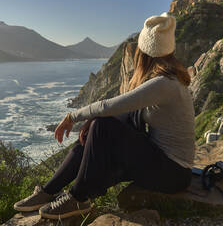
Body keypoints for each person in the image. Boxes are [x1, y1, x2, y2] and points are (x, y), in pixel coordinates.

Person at [13, 12, 195, 219]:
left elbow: (111, 105)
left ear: (144, 52)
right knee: (93, 131)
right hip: (160, 163)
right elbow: (127, 113)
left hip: (173, 173)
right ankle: (48, 191)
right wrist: (90, 124)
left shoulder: (164, 84)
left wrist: (73, 117)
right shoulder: (165, 81)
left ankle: (78, 198)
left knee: (102, 125)